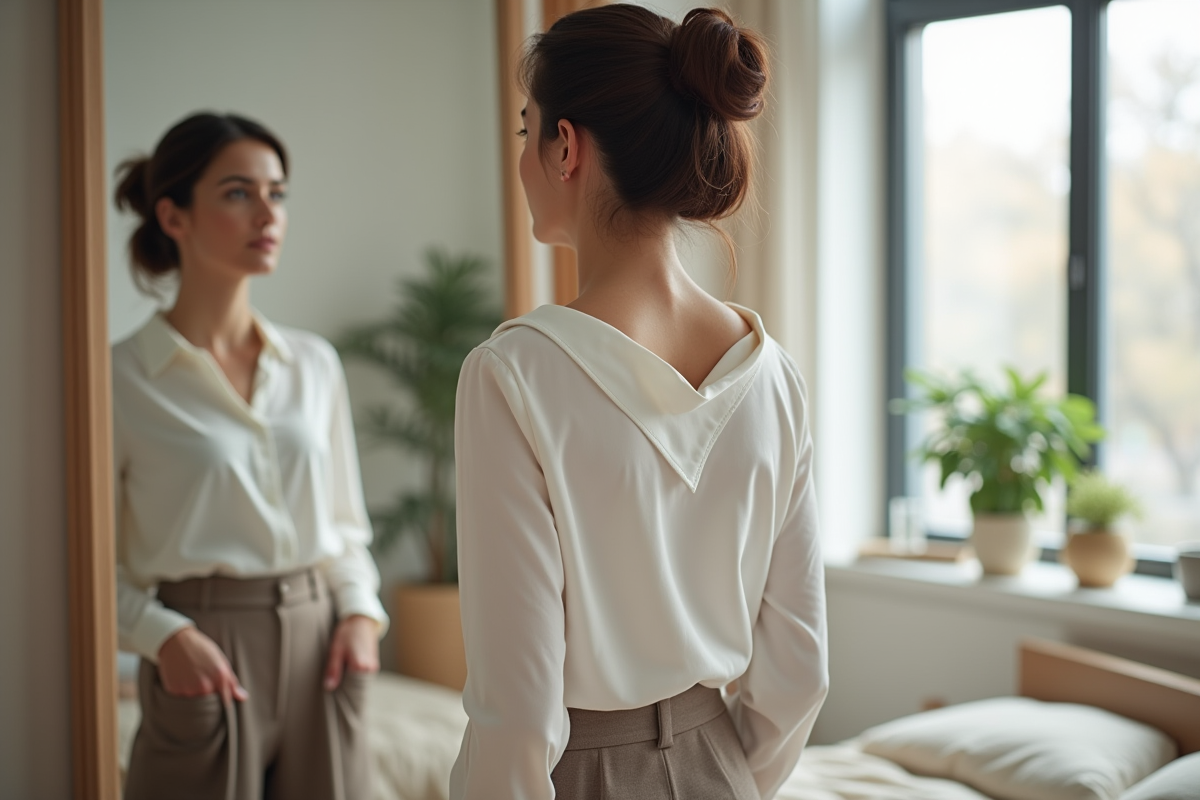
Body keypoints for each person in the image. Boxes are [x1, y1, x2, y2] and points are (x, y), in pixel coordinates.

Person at [449, 6, 828, 800]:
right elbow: (797, 673)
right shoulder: (776, 377)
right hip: (722, 762)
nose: (520, 156)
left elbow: (516, 711)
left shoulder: (514, 374)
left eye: (527, 131)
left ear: (565, 146)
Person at [112, 111, 387, 800]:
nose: (268, 212)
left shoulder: (314, 364)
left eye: (278, 192)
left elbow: (345, 525)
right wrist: (162, 636)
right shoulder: (116, 379)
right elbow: (80, 565)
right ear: (173, 217)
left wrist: (359, 614)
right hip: (201, 642)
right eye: (239, 192)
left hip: (322, 645)